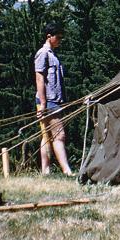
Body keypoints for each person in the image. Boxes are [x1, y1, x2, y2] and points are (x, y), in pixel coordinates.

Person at [34, 22, 74, 175]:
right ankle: (66, 170)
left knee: (47, 136)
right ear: (49, 36)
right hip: (49, 101)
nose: (60, 40)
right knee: (59, 135)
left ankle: (45, 170)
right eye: (58, 37)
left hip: (54, 100)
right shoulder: (43, 54)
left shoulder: (53, 55)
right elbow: (39, 78)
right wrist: (43, 103)